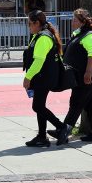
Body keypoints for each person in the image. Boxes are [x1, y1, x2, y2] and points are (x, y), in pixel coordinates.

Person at [53, 9, 92, 143]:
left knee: (76, 103)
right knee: (89, 105)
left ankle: (63, 131)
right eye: (73, 19)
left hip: (86, 78)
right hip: (78, 77)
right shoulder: (79, 34)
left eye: (75, 20)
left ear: (83, 22)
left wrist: (88, 73)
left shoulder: (90, 35)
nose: (72, 22)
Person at [22, 10, 65, 147]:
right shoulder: (39, 36)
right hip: (42, 77)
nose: (29, 26)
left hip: (43, 77)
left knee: (38, 106)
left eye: (30, 23)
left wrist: (28, 78)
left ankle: (61, 127)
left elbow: (39, 61)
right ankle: (42, 136)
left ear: (37, 23)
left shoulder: (43, 38)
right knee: (40, 106)